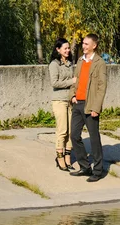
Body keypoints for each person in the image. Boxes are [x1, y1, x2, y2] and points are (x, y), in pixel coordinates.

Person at [70, 34, 107, 182]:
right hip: (77, 103)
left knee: (94, 138)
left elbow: (101, 86)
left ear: (94, 46)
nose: (83, 46)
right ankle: (85, 167)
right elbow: (76, 80)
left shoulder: (99, 63)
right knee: (74, 135)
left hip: (90, 104)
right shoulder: (80, 61)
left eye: (86, 44)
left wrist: (96, 108)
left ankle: (98, 171)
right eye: (83, 44)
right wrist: (72, 94)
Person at [49, 38, 76, 171]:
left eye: (68, 48)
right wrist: (71, 81)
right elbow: (54, 83)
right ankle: (59, 158)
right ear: (58, 50)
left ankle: (68, 157)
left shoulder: (70, 63)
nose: (67, 50)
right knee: (62, 130)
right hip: (59, 100)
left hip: (70, 100)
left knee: (71, 131)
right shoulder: (54, 64)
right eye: (65, 48)